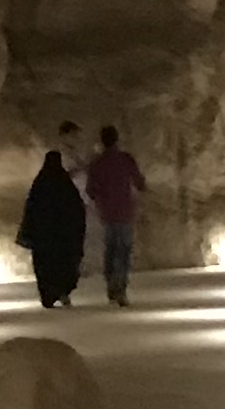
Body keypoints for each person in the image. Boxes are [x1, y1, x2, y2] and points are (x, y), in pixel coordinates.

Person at [19, 127, 87, 309]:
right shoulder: (64, 184)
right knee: (63, 264)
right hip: (62, 237)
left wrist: (31, 231)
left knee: (45, 265)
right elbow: (76, 207)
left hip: (44, 237)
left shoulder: (40, 184)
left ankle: (48, 296)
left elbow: (31, 208)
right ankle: (63, 292)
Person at [85, 122, 144, 307]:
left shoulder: (97, 163)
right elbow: (140, 182)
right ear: (117, 139)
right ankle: (121, 289)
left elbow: (90, 190)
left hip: (107, 213)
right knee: (124, 251)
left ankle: (111, 286)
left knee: (111, 250)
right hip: (125, 211)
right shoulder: (126, 159)